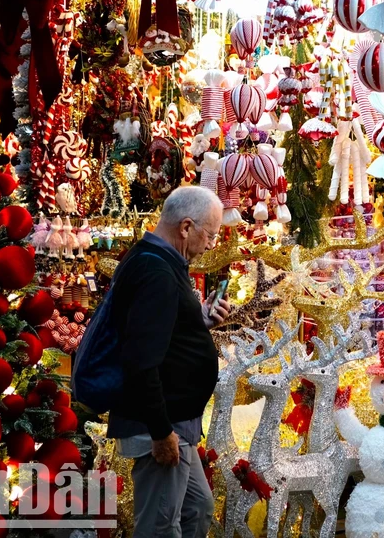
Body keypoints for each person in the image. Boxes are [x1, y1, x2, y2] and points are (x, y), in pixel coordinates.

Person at [106, 186, 232, 538]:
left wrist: (200, 320)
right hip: (161, 426)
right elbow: (141, 360)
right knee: (161, 525)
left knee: (197, 507)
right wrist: (161, 432)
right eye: (210, 234)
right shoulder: (156, 271)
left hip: (175, 422)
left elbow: (161, 331)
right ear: (186, 227)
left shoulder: (161, 262)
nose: (211, 244)